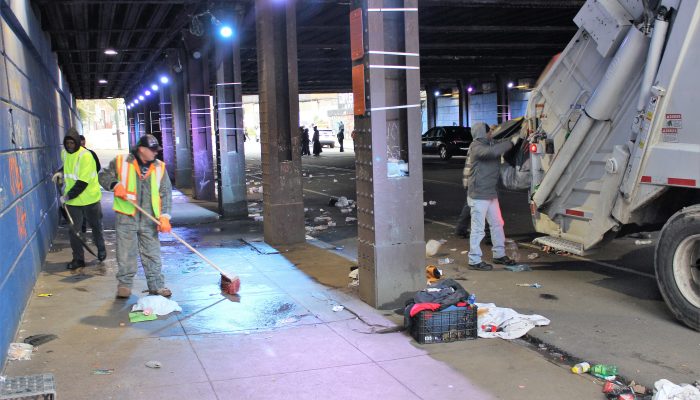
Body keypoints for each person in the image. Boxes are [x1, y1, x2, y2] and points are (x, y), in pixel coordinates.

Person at [98, 134, 173, 298]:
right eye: (152, 150)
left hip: (149, 219)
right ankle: (124, 285)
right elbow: (103, 175)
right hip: (126, 216)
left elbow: (166, 193)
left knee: (152, 253)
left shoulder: (160, 167)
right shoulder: (121, 162)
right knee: (125, 253)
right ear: (141, 149)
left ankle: (156, 285)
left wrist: (165, 216)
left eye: (156, 150)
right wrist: (114, 184)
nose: (155, 153)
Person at [464, 122, 524, 270]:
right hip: (479, 195)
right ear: (482, 133)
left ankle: (499, 254)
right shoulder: (476, 147)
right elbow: (493, 152)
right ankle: (474, 260)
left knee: (497, 224)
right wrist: (511, 142)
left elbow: (498, 143)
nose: (491, 133)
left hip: (490, 193)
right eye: (489, 131)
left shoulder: (489, 143)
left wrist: (517, 136)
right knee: (478, 229)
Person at [52, 128, 107, 269]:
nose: (69, 146)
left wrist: (67, 196)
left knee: (95, 226)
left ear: (77, 143)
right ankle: (78, 259)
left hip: (90, 199)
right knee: (74, 231)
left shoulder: (86, 156)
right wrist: (60, 173)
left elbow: (82, 183)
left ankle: (101, 249)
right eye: (67, 143)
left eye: (72, 143)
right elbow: (67, 166)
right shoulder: (64, 153)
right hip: (74, 202)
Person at [79, 135, 101, 234]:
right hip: (80, 189)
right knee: (82, 211)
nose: (82, 146)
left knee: (93, 213)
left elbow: (98, 167)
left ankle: (95, 232)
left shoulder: (91, 154)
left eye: (83, 144)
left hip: (91, 190)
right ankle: (83, 229)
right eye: (80, 144)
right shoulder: (74, 156)